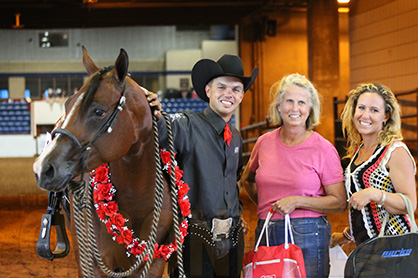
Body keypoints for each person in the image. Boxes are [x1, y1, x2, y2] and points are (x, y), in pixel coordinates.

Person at [147, 54, 258, 278]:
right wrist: (150, 110)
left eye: (236, 89)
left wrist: (236, 215)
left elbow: (232, 180)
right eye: (222, 87)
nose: (229, 94)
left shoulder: (235, 137)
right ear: (208, 91)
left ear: (242, 96)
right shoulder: (187, 124)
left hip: (233, 236)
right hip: (195, 237)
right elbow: (159, 128)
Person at [240, 73, 346, 278]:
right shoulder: (264, 143)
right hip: (267, 229)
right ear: (279, 106)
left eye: (301, 103)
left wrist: (297, 202)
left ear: (310, 109)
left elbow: (339, 202)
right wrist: (268, 207)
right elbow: (247, 180)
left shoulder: (323, 149)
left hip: (308, 233)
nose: (294, 108)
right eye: (289, 101)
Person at [331, 83, 417, 247]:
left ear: (386, 116)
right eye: (361, 107)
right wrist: (345, 235)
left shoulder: (395, 151)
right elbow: (368, 211)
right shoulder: (359, 151)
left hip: (395, 249)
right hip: (367, 250)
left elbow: (410, 203)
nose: (365, 115)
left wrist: (375, 194)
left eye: (374, 110)